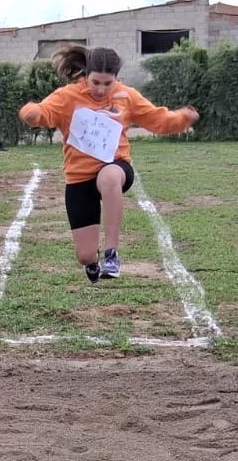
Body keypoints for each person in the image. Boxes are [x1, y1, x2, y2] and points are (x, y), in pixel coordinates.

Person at [19, 45, 199, 284]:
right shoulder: (68, 97)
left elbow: (157, 119)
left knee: (110, 176)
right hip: (79, 177)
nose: (101, 89)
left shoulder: (127, 96)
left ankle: (111, 253)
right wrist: (30, 113)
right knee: (83, 255)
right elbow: (42, 112)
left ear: (116, 78)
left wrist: (182, 118)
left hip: (116, 166)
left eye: (108, 83)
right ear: (86, 75)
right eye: (95, 82)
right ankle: (92, 262)